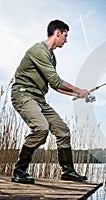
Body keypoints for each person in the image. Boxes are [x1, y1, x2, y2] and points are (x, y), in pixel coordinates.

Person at [11, 19, 89, 183]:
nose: (66, 40)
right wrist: (79, 89)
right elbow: (56, 81)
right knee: (41, 128)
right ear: (58, 32)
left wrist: (79, 95)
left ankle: (68, 171)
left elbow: (55, 87)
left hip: (39, 98)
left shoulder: (52, 58)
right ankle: (19, 170)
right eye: (65, 36)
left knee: (63, 131)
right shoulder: (39, 51)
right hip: (23, 95)